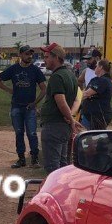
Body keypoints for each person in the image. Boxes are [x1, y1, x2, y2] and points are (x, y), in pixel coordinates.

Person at [0, 45, 44, 168]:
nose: (29, 56)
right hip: (16, 106)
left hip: (30, 108)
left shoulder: (35, 70)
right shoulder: (14, 69)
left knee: (32, 133)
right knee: (19, 133)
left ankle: (34, 159)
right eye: (26, 54)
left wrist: (35, 103)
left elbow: (44, 89)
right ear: (20, 55)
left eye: (31, 54)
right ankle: (21, 159)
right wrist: (9, 90)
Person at [37, 43, 83, 173]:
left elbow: (61, 101)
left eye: (47, 57)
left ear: (56, 57)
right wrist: (70, 118)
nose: (44, 60)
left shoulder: (57, 76)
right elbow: (76, 99)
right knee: (63, 166)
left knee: (53, 168)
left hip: (54, 126)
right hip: (63, 126)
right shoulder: (70, 75)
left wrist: (71, 120)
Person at [81, 58, 112, 130]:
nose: (95, 68)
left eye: (97, 66)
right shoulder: (98, 80)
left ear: (101, 67)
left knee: (93, 135)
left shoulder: (103, 81)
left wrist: (75, 99)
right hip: (91, 115)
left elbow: (86, 94)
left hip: (97, 116)